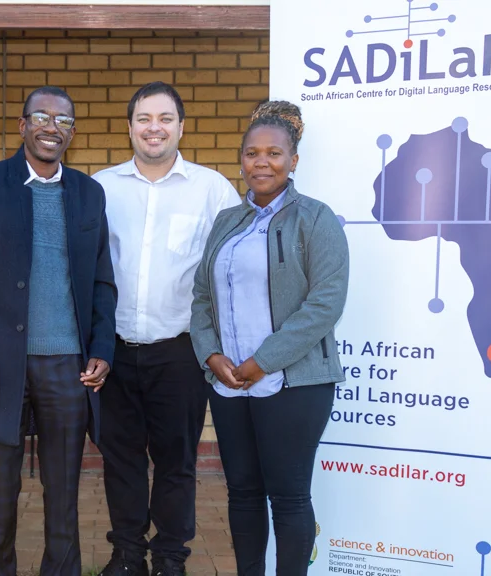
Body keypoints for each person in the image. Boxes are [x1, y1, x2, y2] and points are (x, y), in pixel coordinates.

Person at [0, 86, 117, 576]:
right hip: (0, 366)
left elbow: (103, 279)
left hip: (68, 366)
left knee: (63, 493)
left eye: (63, 121)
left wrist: (102, 346)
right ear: (22, 126)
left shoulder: (89, 192)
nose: (51, 127)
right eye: (41, 117)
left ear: (72, 134)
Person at [190, 101, 349, 576]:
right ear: (241, 159)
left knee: (289, 494)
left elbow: (325, 304)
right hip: (228, 383)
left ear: (293, 160)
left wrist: (263, 360)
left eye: (274, 153)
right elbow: (201, 298)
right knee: (241, 489)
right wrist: (211, 355)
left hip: (294, 383)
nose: (262, 162)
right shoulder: (227, 222)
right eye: (252, 153)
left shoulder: (316, 220)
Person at [91, 81, 240, 576]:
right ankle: (128, 553)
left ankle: (171, 556)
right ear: (129, 126)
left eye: (165, 119)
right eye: (143, 119)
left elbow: (233, 269)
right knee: (122, 459)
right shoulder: (101, 187)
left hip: (180, 350)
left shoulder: (213, 189)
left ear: (181, 126)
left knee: (177, 462)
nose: (154, 128)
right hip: (112, 349)